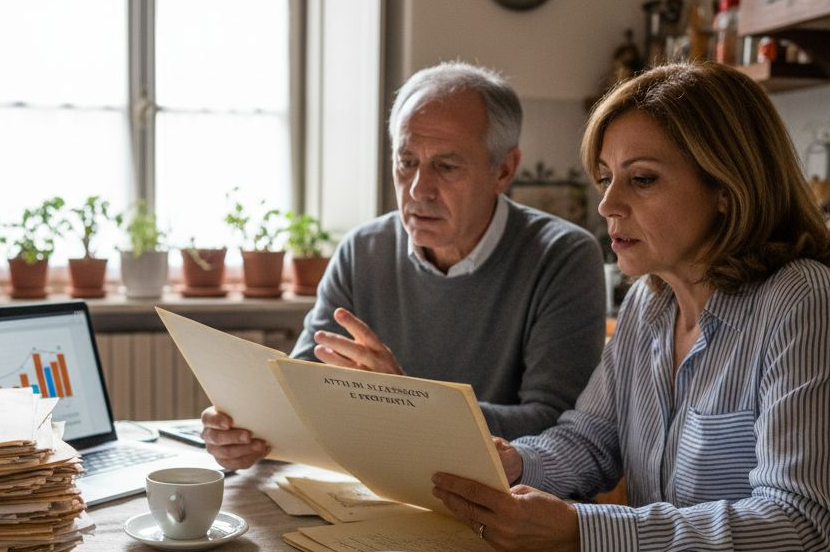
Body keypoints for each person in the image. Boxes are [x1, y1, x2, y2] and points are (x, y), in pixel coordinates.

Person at [431, 61, 830, 552]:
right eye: (606, 177)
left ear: (726, 188)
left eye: (642, 179)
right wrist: (515, 462)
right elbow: (592, 440)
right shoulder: (649, 303)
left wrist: (581, 531)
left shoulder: (805, 303)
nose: (607, 205)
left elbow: (802, 529)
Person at [203, 62, 607, 470]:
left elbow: (557, 424)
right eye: (407, 161)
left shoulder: (562, 256)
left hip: (492, 496)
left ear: (503, 170)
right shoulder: (363, 250)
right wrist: (248, 431)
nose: (418, 189)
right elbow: (304, 388)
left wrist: (407, 403)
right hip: (370, 485)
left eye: (446, 167)